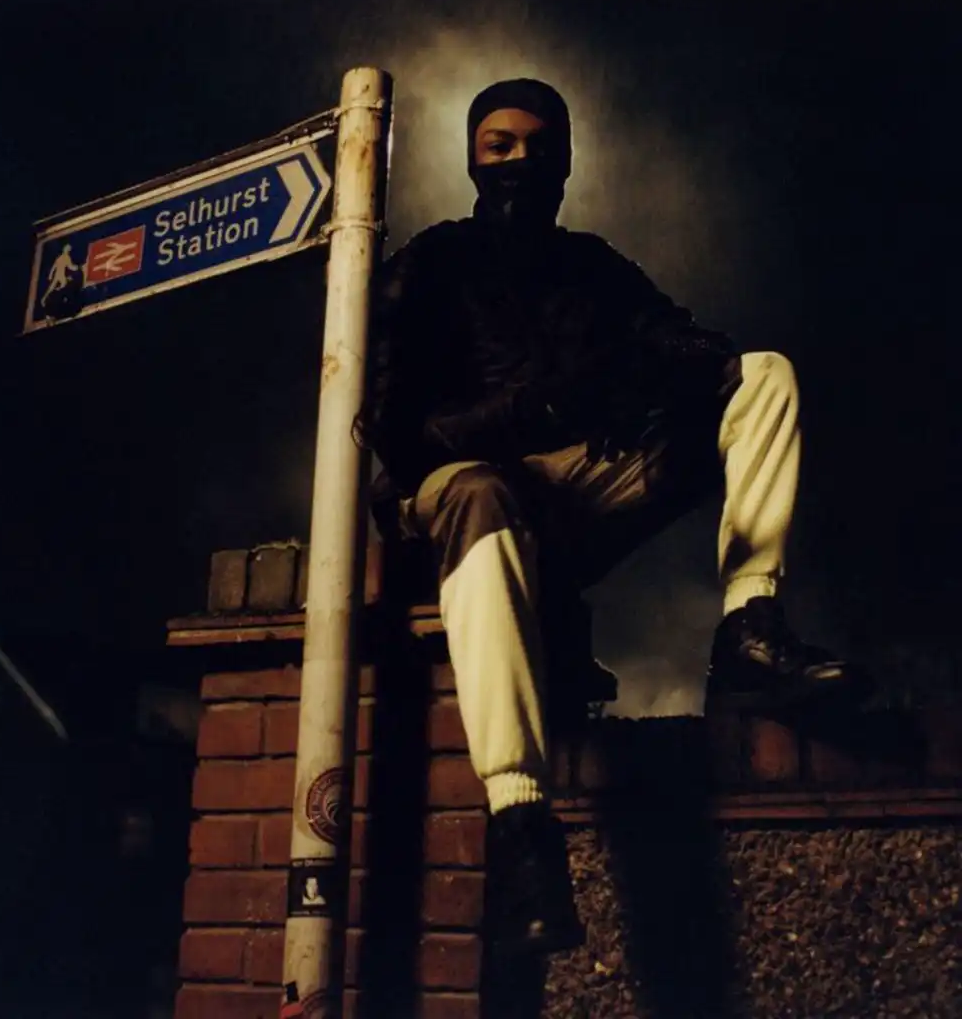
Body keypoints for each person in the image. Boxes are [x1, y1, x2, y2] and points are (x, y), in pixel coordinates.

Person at [353, 78, 871, 959]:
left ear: (564, 162)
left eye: (537, 146)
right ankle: (522, 824)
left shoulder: (593, 267)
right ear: (472, 157)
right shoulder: (433, 262)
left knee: (763, 376)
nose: (518, 162)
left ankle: (750, 628)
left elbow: (685, 343)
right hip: (451, 488)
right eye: (499, 145)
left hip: (570, 495)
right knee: (481, 491)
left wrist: (659, 377)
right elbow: (391, 430)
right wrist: (529, 413)